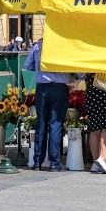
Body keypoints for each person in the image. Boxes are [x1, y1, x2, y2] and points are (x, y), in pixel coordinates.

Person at [24, 38, 75, 172]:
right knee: (55, 124)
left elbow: (28, 65)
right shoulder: (65, 45)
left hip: (42, 88)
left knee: (41, 124)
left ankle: (37, 162)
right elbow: (79, 70)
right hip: (59, 88)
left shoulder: (38, 45)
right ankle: (54, 162)